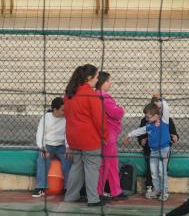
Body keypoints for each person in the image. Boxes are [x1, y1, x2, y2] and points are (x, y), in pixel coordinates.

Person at [63, 64, 105, 207]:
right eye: (96, 77)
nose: (98, 80)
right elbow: (99, 119)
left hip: (73, 137)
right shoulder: (90, 94)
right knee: (92, 167)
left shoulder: (69, 93)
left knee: (77, 167)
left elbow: (67, 115)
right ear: (89, 77)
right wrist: (104, 136)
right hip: (89, 138)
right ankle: (93, 199)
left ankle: (71, 196)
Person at [125, 102, 172, 201]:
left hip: (164, 150)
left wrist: (160, 100)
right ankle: (157, 190)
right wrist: (129, 135)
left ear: (156, 115)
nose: (146, 119)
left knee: (161, 171)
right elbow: (140, 130)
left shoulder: (164, 120)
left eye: (148, 117)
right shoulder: (149, 125)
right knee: (154, 172)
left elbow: (166, 108)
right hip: (153, 151)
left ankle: (164, 192)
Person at [137, 94, 178, 198]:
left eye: (159, 108)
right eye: (156, 108)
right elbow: (141, 133)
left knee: (161, 170)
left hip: (163, 148)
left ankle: (163, 191)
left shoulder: (166, 119)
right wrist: (142, 139)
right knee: (152, 169)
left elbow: (173, 133)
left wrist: (175, 137)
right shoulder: (145, 120)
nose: (158, 111)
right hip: (151, 148)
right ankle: (151, 187)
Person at [32, 97, 70, 197]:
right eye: (63, 110)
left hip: (61, 146)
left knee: (68, 159)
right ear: (55, 110)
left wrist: (67, 147)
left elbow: (68, 134)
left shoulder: (67, 118)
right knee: (42, 159)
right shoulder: (46, 118)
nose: (65, 112)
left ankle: (68, 188)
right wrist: (42, 147)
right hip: (48, 145)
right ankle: (40, 187)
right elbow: (40, 134)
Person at [97, 72, 126, 199]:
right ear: (102, 82)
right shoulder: (103, 96)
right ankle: (99, 191)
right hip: (107, 134)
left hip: (108, 134)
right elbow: (116, 113)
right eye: (108, 81)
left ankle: (116, 191)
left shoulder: (98, 95)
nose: (110, 84)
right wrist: (121, 109)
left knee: (112, 163)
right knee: (106, 164)